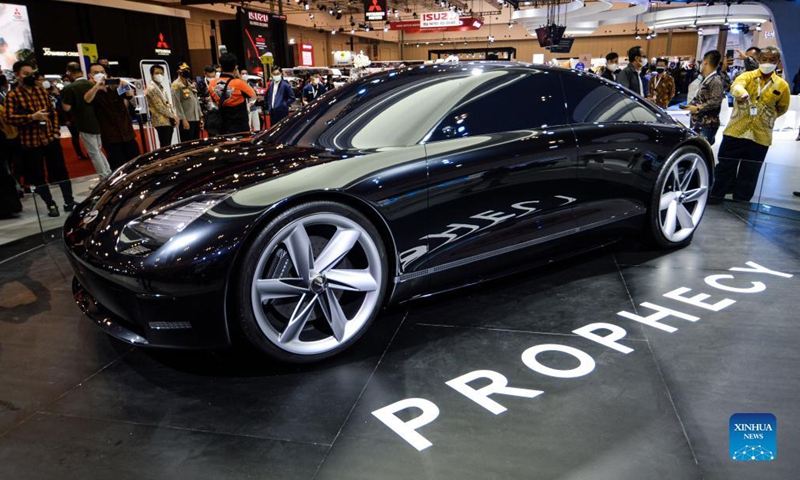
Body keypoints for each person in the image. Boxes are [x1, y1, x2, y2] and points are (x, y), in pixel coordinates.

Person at [710, 46, 790, 203]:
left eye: (772, 60)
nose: (767, 62)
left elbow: (782, 108)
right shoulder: (747, 76)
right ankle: (715, 198)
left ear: (778, 62)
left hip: (760, 136)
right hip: (735, 132)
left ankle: (741, 204)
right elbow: (736, 86)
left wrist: (767, 117)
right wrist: (741, 93)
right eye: (764, 59)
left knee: (750, 173)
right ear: (759, 60)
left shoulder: (782, 85)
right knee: (725, 168)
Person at [3, 61, 75, 217]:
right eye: (25, 74)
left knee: (61, 171)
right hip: (30, 142)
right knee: (38, 176)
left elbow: (53, 113)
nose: (30, 77)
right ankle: (51, 205)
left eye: (31, 74)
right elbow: (9, 118)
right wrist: (31, 117)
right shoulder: (13, 95)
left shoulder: (42, 92)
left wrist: (55, 132)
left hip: (50, 139)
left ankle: (69, 201)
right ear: (17, 75)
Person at [61, 62, 112, 180]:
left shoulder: (70, 88)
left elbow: (66, 108)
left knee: (94, 153)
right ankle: (108, 173)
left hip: (84, 122)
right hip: (99, 121)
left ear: (69, 73)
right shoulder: (92, 84)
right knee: (97, 150)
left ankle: (104, 177)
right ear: (83, 72)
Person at [84, 63, 140, 170]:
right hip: (110, 137)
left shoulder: (115, 89)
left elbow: (129, 95)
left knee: (135, 163)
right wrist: (97, 86)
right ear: (90, 75)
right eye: (96, 72)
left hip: (127, 133)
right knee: (117, 166)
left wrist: (124, 85)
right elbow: (87, 100)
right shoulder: (93, 91)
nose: (100, 74)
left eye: (102, 72)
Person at [682, 50, 725, 145]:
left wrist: (697, 108)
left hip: (706, 124)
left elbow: (716, 101)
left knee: (701, 148)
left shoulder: (715, 80)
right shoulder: (708, 79)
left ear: (705, 62)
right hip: (699, 122)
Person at [208, 52, 256, 134]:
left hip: (222, 126)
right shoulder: (239, 83)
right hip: (240, 126)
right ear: (236, 67)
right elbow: (253, 96)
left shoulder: (212, 83)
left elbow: (213, 102)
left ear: (221, 67)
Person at [145, 64, 179, 148]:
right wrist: (173, 116)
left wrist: (173, 115)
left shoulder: (161, 87)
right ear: (152, 75)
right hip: (161, 121)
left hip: (167, 120)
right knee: (165, 146)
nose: (159, 75)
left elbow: (167, 104)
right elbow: (159, 107)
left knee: (167, 145)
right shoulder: (152, 88)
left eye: (161, 73)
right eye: (157, 73)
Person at [172, 62, 201, 141]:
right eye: (184, 69)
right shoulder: (176, 85)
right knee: (188, 142)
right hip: (187, 119)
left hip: (195, 118)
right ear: (178, 71)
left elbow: (196, 100)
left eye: (187, 69)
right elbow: (177, 104)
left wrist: (200, 116)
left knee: (196, 142)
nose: (187, 71)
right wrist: (183, 119)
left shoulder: (190, 83)